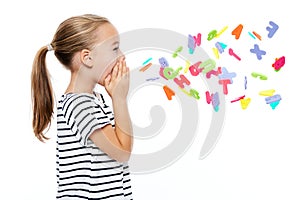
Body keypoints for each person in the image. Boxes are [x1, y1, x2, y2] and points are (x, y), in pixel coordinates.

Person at [31, 14, 133, 199]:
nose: (122, 57)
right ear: (87, 58)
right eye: (115, 49)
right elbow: (122, 152)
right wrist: (119, 99)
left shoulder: (93, 100)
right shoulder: (80, 105)